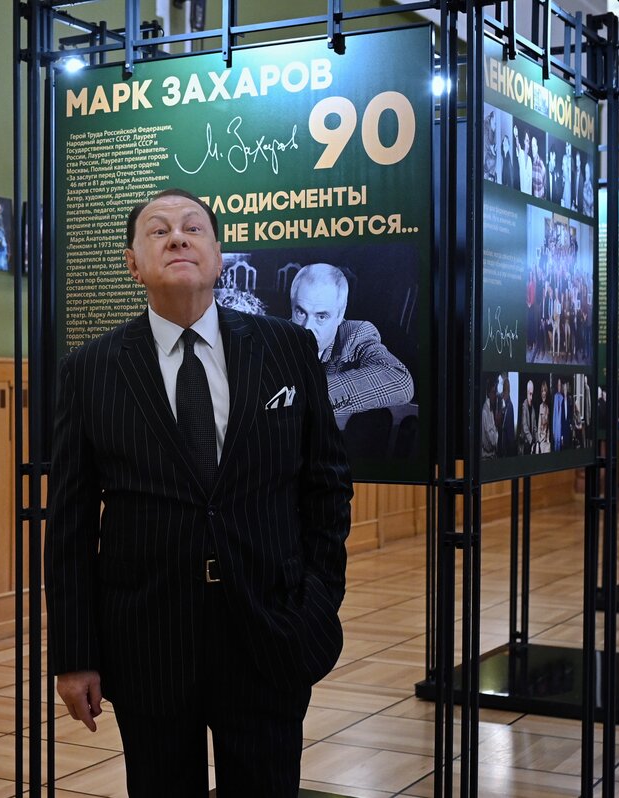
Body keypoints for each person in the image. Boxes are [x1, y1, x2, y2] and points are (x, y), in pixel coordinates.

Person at [46, 187, 353, 797]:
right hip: (147, 639)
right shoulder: (91, 370)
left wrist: (317, 601)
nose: (178, 238)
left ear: (217, 257)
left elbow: (326, 485)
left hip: (269, 629)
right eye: (158, 231)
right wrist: (75, 654)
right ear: (133, 265)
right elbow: (70, 523)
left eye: (193, 228)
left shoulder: (287, 349)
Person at [288, 263, 415, 424]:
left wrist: (303, 397)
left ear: (340, 314)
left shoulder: (355, 335)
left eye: (321, 317)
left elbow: (399, 380)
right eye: (300, 312)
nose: (307, 328)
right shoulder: (273, 337)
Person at [498, 375, 516, 457]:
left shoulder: (510, 407)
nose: (502, 394)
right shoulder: (505, 407)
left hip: (507, 451)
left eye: (504, 391)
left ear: (507, 391)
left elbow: (509, 434)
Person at [518, 379, 537, 455]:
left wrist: (537, 441)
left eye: (532, 394)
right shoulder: (524, 406)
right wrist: (532, 441)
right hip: (525, 444)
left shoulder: (533, 409)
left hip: (531, 444)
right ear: (527, 392)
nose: (531, 397)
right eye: (530, 394)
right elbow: (524, 426)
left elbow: (535, 427)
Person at [481, 379, 499, 460]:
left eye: (495, 392)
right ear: (488, 393)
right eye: (493, 392)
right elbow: (492, 440)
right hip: (486, 457)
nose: (495, 395)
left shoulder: (490, 409)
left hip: (492, 456)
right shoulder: (485, 411)